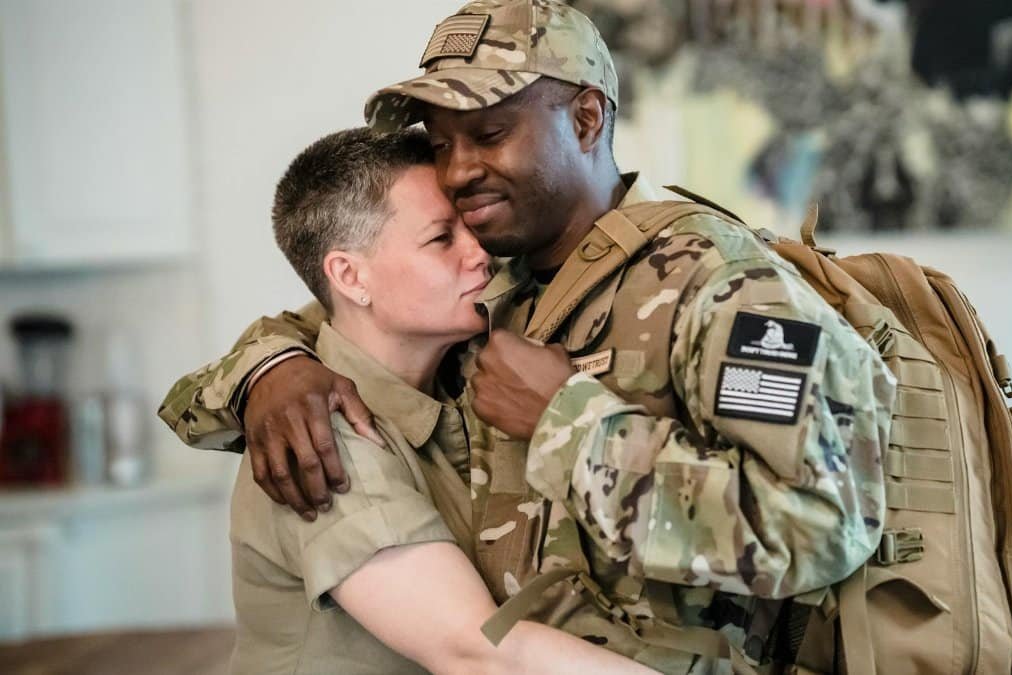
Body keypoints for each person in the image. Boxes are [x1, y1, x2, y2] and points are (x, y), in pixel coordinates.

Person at [160, 1, 896, 669]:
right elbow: (351, 319)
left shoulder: (720, 286)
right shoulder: (497, 285)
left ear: (584, 119)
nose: (459, 171)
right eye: (441, 144)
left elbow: (823, 524)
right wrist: (271, 368)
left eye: (487, 134)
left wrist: (570, 425)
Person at [223, 126, 649, 675]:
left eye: (469, 227)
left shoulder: (462, 383)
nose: (480, 253)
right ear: (350, 276)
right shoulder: (321, 439)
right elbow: (477, 652)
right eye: (441, 239)